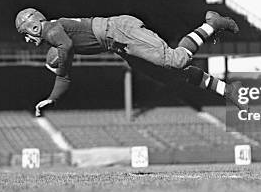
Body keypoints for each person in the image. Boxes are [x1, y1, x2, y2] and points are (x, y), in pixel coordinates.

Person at [15, 8, 242, 116]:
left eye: (26, 33)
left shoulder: (52, 31)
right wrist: (52, 99)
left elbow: (66, 50)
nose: (27, 39)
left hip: (119, 31)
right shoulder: (55, 35)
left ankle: (212, 23)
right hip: (117, 43)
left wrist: (59, 67)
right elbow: (64, 74)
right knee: (169, 75)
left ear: (34, 26)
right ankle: (226, 89)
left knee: (176, 60)